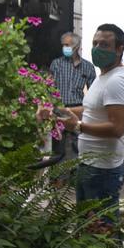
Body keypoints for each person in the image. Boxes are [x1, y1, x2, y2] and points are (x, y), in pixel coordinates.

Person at [59, 24, 124, 218]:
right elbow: (92, 109)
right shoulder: (104, 77)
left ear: (120, 49)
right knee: (89, 229)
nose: (97, 48)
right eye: (95, 43)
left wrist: (77, 126)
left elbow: (116, 128)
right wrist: (59, 111)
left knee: (103, 230)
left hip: (102, 170)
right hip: (90, 165)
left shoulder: (117, 81)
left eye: (104, 44)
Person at [49, 31, 96, 159]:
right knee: (57, 145)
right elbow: (49, 87)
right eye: (63, 45)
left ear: (76, 46)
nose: (64, 48)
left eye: (67, 45)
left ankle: (77, 173)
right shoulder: (56, 64)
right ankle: (56, 176)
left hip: (77, 109)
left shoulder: (87, 67)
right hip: (59, 108)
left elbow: (93, 93)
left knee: (79, 144)